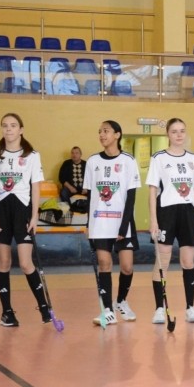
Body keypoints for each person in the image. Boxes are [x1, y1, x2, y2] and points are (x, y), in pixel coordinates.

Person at [0, 113, 51, 327]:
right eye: (5, 125)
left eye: (13, 125)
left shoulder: (32, 155)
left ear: (21, 129)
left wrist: (34, 216)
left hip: (22, 210)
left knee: (25, 262)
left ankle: (44, 307)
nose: (8, 129)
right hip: (1, 210)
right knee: (3, 262)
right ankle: (7, 312)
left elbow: (35, 187)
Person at [147, 118, 194, 324]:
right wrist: (154, 221)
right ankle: (159, 308)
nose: (179, 135)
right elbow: (152, 191)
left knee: (188, 262)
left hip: (188, 213)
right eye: (174, 131)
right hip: (166, 213)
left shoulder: (193, 159)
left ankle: (190, 307)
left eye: (182, 131)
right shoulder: (159, 158)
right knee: (162, 262)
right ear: (168, 134)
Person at [84, 120, 140, 325]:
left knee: (127, 267)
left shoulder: (128, 161)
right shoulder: (92, 162)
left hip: (122, 222)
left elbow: (131, 197)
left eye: (106, 131)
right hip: (100, 222)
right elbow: (90, 197)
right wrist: (89, 224)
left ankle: (121, 301)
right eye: (100, 131)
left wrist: (124, 226)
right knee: (104, 264)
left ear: (117, 134)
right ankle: (107, 310)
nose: (102, 135)